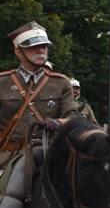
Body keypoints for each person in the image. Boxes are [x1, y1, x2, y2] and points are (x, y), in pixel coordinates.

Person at [0, 21, 77, 168]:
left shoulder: (61, 83)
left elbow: (73, 117)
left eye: (44, 46)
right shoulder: (2, 82)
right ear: (18, 51)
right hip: (7, 157)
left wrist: (58, 122)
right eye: (34, 47)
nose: (41, 50)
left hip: (48, 154)